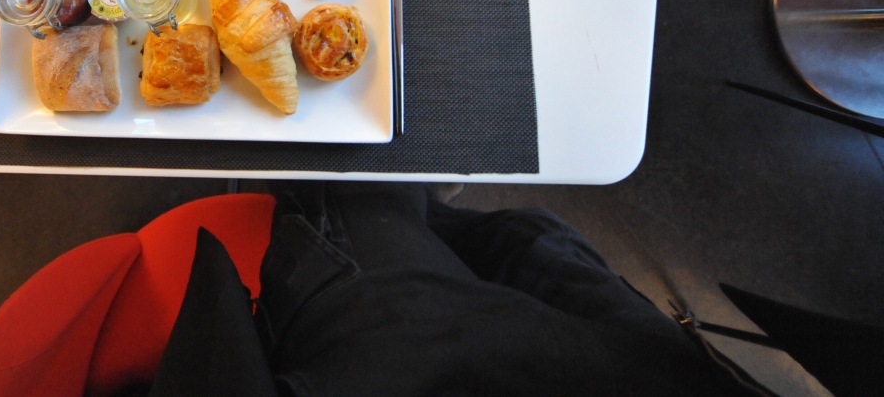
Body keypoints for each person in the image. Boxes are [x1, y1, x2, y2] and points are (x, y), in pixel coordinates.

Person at [149, 182, 772, 397]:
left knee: (366, 181)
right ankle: (425, 208)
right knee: (533, 237)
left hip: (391, 347)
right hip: (646, 366)